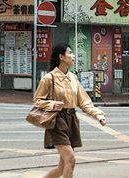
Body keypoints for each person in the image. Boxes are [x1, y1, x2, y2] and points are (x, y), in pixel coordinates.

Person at [34, 44, 106, 178]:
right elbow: (38, 101)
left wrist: (98, 115)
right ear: (61, 57)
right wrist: (53, 104)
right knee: (70, 158)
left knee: (63, 166)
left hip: (71, 119)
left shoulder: (73, 78)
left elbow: (83, 101)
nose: (73, 56)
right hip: (57, 120)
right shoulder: (49, 78)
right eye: (70, 53)